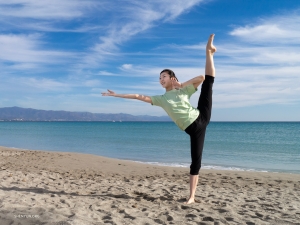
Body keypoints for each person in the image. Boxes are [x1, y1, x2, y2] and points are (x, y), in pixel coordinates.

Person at [102, 34, 216, 204]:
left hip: (201, 116)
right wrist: (117, 95)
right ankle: (192, 196)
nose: (161, 80)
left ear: (172, 78)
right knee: (195, 162)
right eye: (159, 78)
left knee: (209, 83)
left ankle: (209, 52)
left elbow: (202, 78)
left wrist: (182, 84)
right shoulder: (161, 99)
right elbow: (138, 96)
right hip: (194, 130)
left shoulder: (182, 90)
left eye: (164, 76)